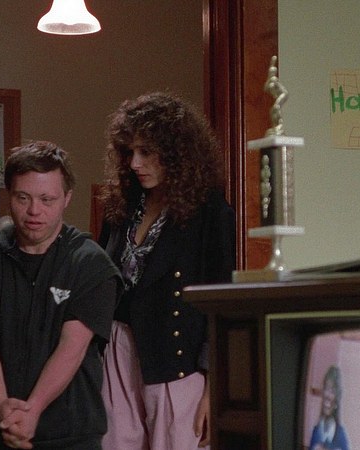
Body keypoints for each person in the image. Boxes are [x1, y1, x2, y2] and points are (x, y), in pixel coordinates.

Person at [0, 141, 122, 449]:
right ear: (9, 195)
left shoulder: (91, 264)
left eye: (47, 199)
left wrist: (33, 410)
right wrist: (2, 407)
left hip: (69, 434)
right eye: (23, 197)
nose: (34, 211)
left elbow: (72, 347)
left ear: (67, 198)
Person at [97, 92, 236, 449]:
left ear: (177, 152)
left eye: (146, 152)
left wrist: (214, 385)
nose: (135, 163)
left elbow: (222, 304)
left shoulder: (210, 212)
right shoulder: (122, 206)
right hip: (118, 350)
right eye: (130, 152)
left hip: (177, 359)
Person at [308, 365, 349, 450]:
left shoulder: (341, 436)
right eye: (326, 388)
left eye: (332, 391)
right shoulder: (316, 432)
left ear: (336, 402)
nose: (327, 395)